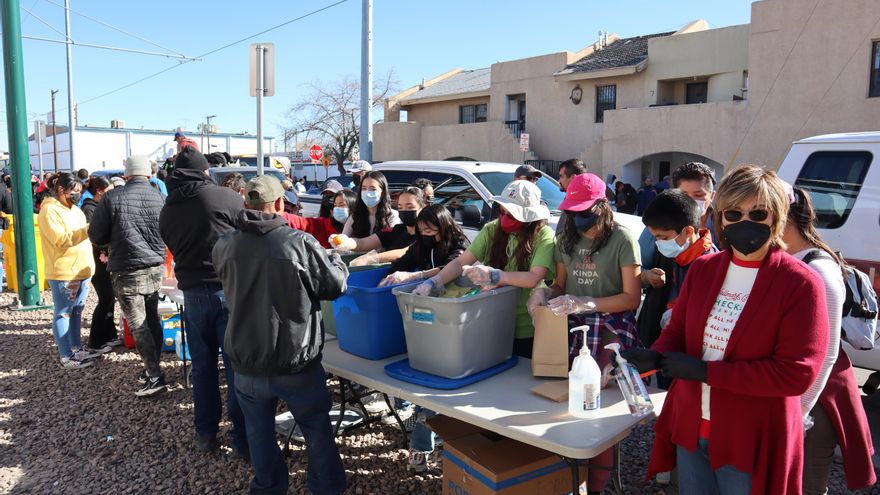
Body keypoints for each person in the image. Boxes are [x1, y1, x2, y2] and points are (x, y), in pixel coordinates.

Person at [625, 165, 830, 494]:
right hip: (693, 430)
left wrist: (707, 372)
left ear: (776, 217)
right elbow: (677, 332)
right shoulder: (705, 269)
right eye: (733, 214)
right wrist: (655, 355)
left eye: (758, 213)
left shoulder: (800, 282)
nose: (744, 222)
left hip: (750, 437)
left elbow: (797, 373)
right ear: (720, 218)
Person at [213, 175, 348, 494]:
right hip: (295, 358)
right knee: (316, 429)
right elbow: (335, 287)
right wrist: (337, 260)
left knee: (258, 431)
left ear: (246, 204)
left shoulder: (224, 244)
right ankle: (326, 487)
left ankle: (268, 487)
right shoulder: (299, 243)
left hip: (246, 357)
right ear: (279, 205)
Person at [526, 173, 641, 494]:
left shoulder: (622, 239)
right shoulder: (566, 238)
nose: (579, 219)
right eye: (572, 212)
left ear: (603, 206)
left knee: (598, 412)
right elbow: (560, 284)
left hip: (612, 329)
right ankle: (567, 477)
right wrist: (543, 294)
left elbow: (631, 297)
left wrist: (587, 301)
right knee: (565, 404)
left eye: (585, 211)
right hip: (574, 327)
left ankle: (599, 485)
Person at [780, 182, 876, 494]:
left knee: (806, 480)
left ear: (784, 217)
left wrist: (800, 410)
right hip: (803, 387)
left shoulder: (817, 267)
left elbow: (827, 350)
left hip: (816, 391)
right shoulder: (792, 257)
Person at [159, 146, 249, 458]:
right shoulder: (225, 197)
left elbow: (169, 243)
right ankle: (241, 437)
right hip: (229, 290)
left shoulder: (168, 207)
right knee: (237, 366)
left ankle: (206, 433)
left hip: (192, 294)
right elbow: (248, 233)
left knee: (203, 367)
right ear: (204, 171)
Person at [412, 180, 555, 358]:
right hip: (491, 321)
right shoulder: (491, 229)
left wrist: (497, 276)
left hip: (526, 326)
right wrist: (435, 281)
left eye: (511, 214)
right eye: (501, 212)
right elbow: (460, 263)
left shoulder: (544, 235)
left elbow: (534, 277)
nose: (504, 218)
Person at [89, 155, 168, 397]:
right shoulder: (160, 198)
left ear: (126, 174)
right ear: (149, 174)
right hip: (155, 266)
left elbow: (96, 234)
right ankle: (154, 367)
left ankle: (154, 376)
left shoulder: (113, 197)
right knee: (152, 318)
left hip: (126, 268)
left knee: (138, 322)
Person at [636, 189, 717, 349]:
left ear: (688, 231)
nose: (658, 243)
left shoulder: (710, 264)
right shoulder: (677, 252)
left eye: (663, 237)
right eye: (655, 237)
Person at [39, 172, 98, 369]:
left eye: (79, 192)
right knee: (64, 312)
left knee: (77, 311)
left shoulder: (75, 210)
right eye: (73, 191)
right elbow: (61, 240)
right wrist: (88, 230)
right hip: (65, 271)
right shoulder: (49, 211)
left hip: (83, 269)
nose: (77, 195)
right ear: (60, 190)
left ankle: (77, 347)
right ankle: (66, 355)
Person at [639, 161, 717, 268]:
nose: (690, 201)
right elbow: (638, 266)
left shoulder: (722, 228)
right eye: (683, 195)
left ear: (712, 196)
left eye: (698, 195)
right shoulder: (657, 226)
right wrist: (647, 276)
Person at [331, 186, 426, 266]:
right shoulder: (395, 231)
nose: (404, 211)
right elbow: (363, 243)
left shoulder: (427, 234)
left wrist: (371, 258)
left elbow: (405, 252)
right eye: (400, 207)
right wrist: (346, 241)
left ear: (423, 208)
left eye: (410, 207)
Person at [81, 176, 122, 352]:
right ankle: (96, 341)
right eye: (108, 191)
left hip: (105, 259)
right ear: (100, 191)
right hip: (97, 260)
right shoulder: (89, 208)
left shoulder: (98, 206)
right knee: (105, 298)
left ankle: (110, 334)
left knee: (110, 297)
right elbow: (94, 236)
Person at [341, 170, 400, 238]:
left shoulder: (392, 215)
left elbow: (392, 240)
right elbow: (343, 239)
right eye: (364, 188)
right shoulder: (355, 217)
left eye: (373, 189)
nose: (367, 193)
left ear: (382, 192)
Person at [555, 159, 587, 234]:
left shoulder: (577, 202)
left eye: (561, 176)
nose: (559, 181)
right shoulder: (571, 197)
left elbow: (561, 233)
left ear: (573, 178)